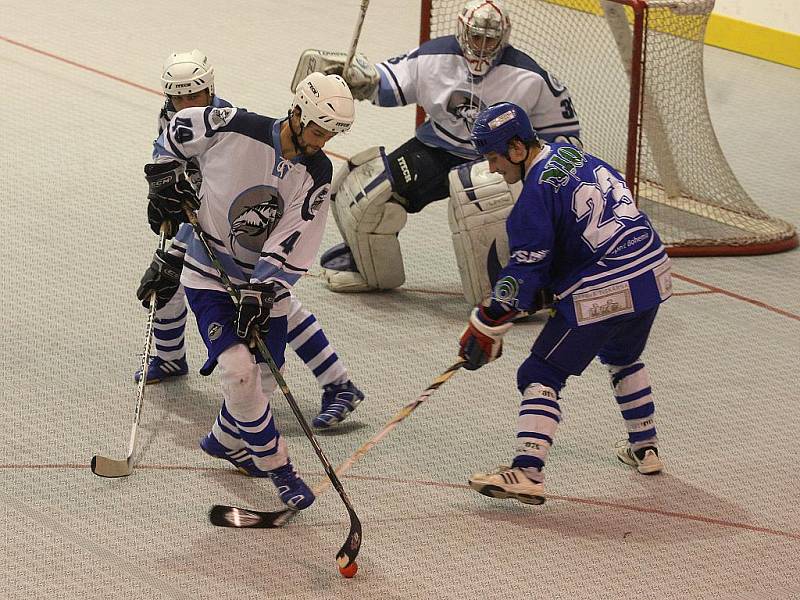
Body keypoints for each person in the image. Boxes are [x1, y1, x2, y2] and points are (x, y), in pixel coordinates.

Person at [143, 72, 356, 509]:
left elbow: (295, 237)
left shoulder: (317, 172)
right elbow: (178, 131)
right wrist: (163, 176)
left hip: (259, 282)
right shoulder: (235, 125)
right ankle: (280, 468)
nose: (322, 140)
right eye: (318, 129)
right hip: (207, 273)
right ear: (296, 112)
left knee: (260, 383)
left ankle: (223, 441)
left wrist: (264, 287)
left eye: (332, 134)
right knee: (239, 373)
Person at [294, 0, 581, 304]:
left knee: (479, 207)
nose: (482, 47)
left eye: (490, 39)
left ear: (504, 38)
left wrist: (539, 178)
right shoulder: (434, 56)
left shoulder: (531, 77)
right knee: (366, 194)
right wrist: (359, 81)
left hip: (493, 159)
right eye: (476, 37)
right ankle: (371, 268)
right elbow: (386, 83)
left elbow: (566, 137)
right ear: (462, 32)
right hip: (437, 146)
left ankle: (514, 291)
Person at [458, 102, 672, 505]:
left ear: (518, 149)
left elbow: (523, 272)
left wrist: (487, 320)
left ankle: (527, 471)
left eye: (494, 157)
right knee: (623, 357)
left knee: (541, 370)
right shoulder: (577, 154)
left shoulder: (532, 197)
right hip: (654, 271)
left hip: (607, 287)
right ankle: (646, 448)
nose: (492, 169)